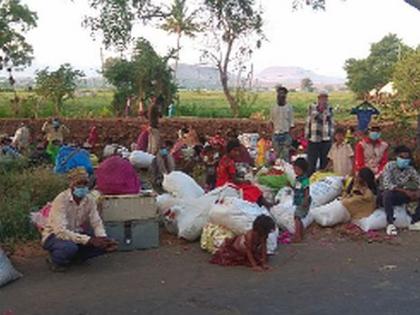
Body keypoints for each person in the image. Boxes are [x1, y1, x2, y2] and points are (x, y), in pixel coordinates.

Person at [42, 168, 117, 271]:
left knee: (106, 243)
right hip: (54, 235)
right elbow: (60, 231)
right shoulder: (61, 200)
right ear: (71, 185)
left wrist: (102, 238)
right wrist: (88, 240)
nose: (82, 187)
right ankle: (56, 260)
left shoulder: (89, 199)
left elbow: (96, 221)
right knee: (69, 248)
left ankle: (76, 257)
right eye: (79, 184)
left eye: (85, 184)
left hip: (75, 233)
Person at [378, 146, 420, 236]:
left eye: (407, 158)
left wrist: (417, 191)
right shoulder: (389, 166)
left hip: (400, 194)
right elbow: (387, 185)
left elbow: (418, 180)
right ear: (396, 157)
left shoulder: (410, 169)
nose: (404, 160)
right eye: (402, 157)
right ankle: (390, 224)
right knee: (387, 194)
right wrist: (405, 191)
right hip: (384, 195)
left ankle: (415, 220)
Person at [210, 214, 275, 272]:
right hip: (239, 248)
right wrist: (254, 266)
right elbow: (248, 251)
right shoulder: (250, 236)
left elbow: (264, 247)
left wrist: (264, 263)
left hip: (251, 248)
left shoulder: (263, 235)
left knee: (261, 257)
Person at [216, 139, 269, 206]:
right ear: (229, 150)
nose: (237, 153)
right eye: (234, 150)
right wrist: (245, 181)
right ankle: (266, 204)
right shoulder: (230, 162)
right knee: (253, 189)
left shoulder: (223, 159)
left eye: (238, 151)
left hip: (220, 184)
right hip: (227, 184)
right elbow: (235, 180)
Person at [304, 91, 335, 176]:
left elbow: (332, 123)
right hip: (313, 138)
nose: (323, 100)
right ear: (318, 99)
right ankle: (309, 181)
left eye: (325, 98)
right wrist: (306, 134)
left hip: (325, 139)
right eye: (321, 98)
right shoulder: (312, 107)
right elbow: (308, 121)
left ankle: (321, 180)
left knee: (324, 163)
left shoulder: (330, 109)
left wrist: (332, 136)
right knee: (311, 163)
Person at [270, 86, 294, 162]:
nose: (280, 95)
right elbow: (271, 121)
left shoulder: (289, 107)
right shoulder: (273, 107)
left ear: (285, 96)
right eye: (279, 94)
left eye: (282, 94)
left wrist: (289, 136)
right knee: (276, 157)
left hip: (286, 135)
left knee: (285, 157)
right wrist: (272, 133)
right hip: (276, 135)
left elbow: (291, 123)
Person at [292, 158, 311, 242]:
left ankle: (297, 236)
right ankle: (301, 234)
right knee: (298, 218)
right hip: (298, 200)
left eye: (297, 169)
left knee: (297, 217)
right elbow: (296, 188)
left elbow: (307, 189)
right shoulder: (297, 178)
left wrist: (306, 199)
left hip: (302, 200)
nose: (295, 171)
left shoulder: (304, 179)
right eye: (294, 169)